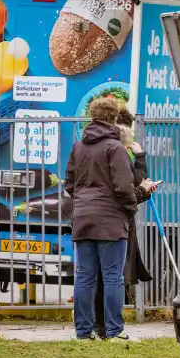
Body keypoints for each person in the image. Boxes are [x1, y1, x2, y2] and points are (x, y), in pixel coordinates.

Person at [65, 96, 139, 341]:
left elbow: (70, 184)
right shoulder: (114, 147)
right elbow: (124, 187)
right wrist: (130, 208)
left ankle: (83, 332)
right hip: (109, 219)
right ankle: (115, 330)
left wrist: (84, 202)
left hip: (83, 217)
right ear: (114, 118)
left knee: (84, 276)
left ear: (92, 116)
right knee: (112, 276)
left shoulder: (79, 146)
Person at [93, 111, 157, 338]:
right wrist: (141, 164)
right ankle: (110, 327)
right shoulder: (120, 153)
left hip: (93, 218)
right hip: (117, 220)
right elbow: (130, 186)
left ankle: (92, 325)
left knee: (95, 275)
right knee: (112, 275)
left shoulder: (90, 149)